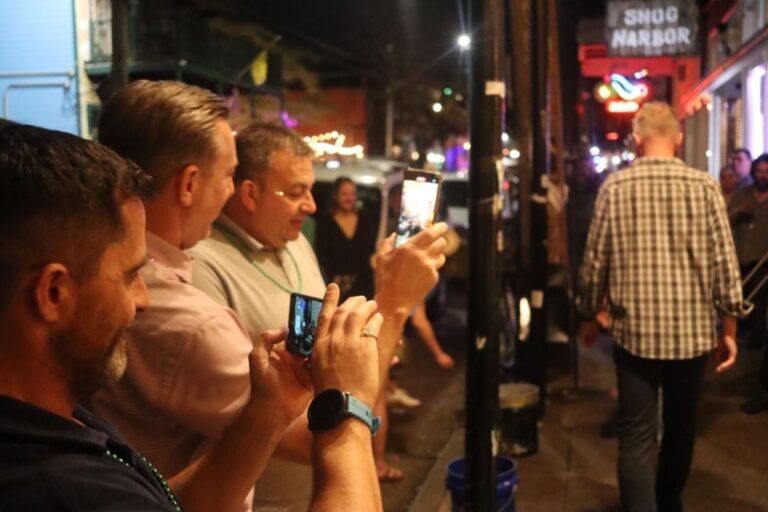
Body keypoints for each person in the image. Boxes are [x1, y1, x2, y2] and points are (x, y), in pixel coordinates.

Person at [0, 120, 383, 511]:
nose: (144, 297)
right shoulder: (66, 491)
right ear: (53, 293)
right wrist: (345, 410)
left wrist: (269, 411)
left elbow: (170, 504)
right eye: (131, 275)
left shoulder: (54, 424)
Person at [188, 122, 448, 485]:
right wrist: (395, 302)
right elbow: (292, 437)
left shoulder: (294, 243)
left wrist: (359, 339)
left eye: (310, 191)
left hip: (322, 483)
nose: (310, 205)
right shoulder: (200, 267)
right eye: (296, 192)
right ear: (249, 193)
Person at [577, 102, 744, 512]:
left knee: (635, 435)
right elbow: (725, 264)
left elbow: (595, 262)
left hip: (635, 335)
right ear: (679, 138)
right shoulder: (704, 188)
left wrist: (588, 314)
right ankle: (669, 501)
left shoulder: (616, 188)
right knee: (681, 428)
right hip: (691, 336)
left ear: (636, 140)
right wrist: (730, 329)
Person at [728, 153, 768, 413]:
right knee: (750, 310)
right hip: (744, 259)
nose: (763, 176)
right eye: (760, 171)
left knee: (759, 317)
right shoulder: (742, 194)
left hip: (764, 263)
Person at [315, 176, 376, 300]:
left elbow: (371, 251)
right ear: (335, 196)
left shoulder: (365, 218)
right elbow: (321, 256)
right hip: (336, 289)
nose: (349, 198)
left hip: (363, 286)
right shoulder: (326, 221)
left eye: (352, 194)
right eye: (344, 194)